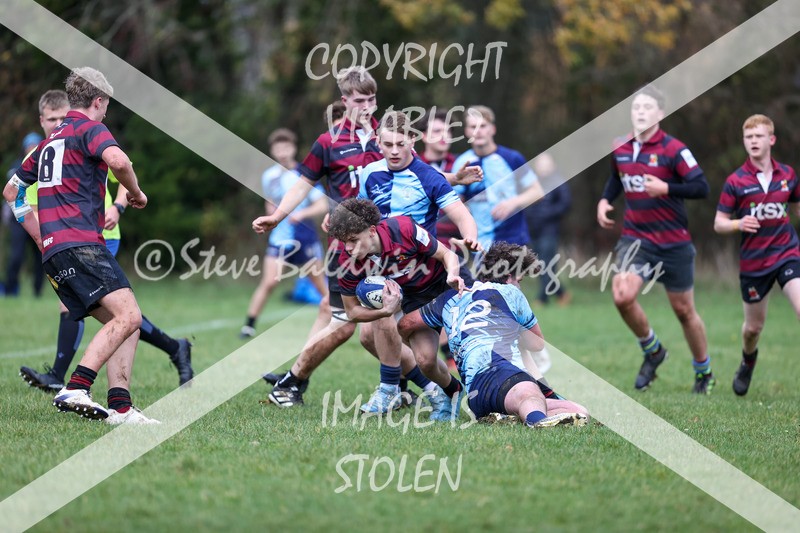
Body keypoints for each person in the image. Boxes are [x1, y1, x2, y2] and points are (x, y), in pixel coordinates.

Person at [253, 67, 481, 407]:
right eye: (359, 100)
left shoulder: (386, 133)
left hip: (398, 246)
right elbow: (303, 184)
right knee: (348, 321)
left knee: (360, 326)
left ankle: (394, 388)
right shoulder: (329, 142)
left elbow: (414, 170)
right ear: (344, 101)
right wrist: (277, 216)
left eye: (372, 99)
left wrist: (454, 179)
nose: (367, 106)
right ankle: (300, 380)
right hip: (348, 248)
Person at [4, 67, 157, 424]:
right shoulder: (90, 128)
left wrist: (41, 236)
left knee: (126, 323)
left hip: (55, 251)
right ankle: (76, 385)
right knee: (131, 315)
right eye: (106, 106)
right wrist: (136, 194)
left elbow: (11, 192)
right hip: (82, 243)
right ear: (98, 101)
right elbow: (119, 161)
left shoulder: (45, 143)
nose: (106, 113)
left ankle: (121, 407)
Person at [16, 89, 192, 391]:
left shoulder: (84, 139)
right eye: (53, 118)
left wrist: (119, 206)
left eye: (63, 115)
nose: (59, 121)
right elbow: (27, 206)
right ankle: (172, 350)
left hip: (97, 237)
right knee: (121, 314)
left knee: (108, 312)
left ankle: (65, 380)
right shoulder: (44, 154)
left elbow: (122, 170)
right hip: (67, 242)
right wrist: (45, 240)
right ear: (42, 120)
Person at [353, 110, 480, 414]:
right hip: (388, 271)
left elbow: (462, 216)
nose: (394, 151)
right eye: (387, 144)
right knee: (368, 336)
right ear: (378, 142)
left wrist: (470, 238)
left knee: (425, 359)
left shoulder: (429, 178)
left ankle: (432, 390)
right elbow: (359, 214)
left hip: (426, 275)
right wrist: (341, 223)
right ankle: (403, 389)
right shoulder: (370, 174)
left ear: (413, 139)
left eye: (400, 143)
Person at [596, 84, 713, 394]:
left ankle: (704, 372)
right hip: (637, 239)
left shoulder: (674, 149)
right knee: (622, 295)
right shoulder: (620, 146)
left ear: (660, 113)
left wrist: (667, 188)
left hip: (674, 242)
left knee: (684, 311)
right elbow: (615, 179)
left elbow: (701, 187)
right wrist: (605, 200)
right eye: (636, 108)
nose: (641, 113)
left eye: (647, 108)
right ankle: (653, 350)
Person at [398, 242, 589, 427]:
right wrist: (515, 329)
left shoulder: (449, 298)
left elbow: (406, 323)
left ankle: (510, 417)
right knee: (529, 394)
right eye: (519, 281)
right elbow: (537, 344)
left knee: (579, 411)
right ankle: (537, 422)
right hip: (503, 375)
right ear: (508, 277)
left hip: (477, 396)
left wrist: (409, 343)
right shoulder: (510, 293)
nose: (519, 287)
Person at [328, 198, 467, 420]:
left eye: (354, 240)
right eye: (344, 242)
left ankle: (502, 394)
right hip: (414, 298)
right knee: (426, 360)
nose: (349, 248)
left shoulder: (403, 229)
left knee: (476, 343)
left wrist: (452, 274)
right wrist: (384, 311)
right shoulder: (347, 261)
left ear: (372, 231)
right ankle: (452, 392)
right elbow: (352, 311)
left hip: (448, 283)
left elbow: (446, 254)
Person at [714, 114, 800, 396]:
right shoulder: (735, 181)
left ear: (771, 140)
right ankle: (748, 361)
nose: (753, 141)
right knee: (753, 329)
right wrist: (738, 223)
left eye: (758, 136)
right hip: (754, 264)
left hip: (787, 253)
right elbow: (719, 222)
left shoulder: (788, 175)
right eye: (748, 137)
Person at [240, 128, 328, 338]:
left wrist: (302, 213)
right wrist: (270, 211)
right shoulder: (269, 176)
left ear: (294, 148)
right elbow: (270, 199)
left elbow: (322, 204)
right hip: (280, 237)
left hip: (304, 237)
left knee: (320, 285)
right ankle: (249, 326)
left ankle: (338, 318)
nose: (282, 152)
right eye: (278, 148)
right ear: (272, 150)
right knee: (269, 282)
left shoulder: (304, 174)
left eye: (286, 147)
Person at [453, 105, 544, 251]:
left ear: (492, 129)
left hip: (512, 237)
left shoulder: (512, 158)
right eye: (473, 126)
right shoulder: (462, 163)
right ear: (466, 131)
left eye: (483, 126)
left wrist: (513, 203)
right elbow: (455, 202)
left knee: (510, 275)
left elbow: (538, 192)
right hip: (480, 242)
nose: (478, 131)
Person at [526, 152, 572, 306]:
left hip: (550, 231)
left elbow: (565, 204)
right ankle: (562, 293)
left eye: (546, 164)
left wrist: (547, 214)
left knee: (546, 264)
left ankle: (542, 298)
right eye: (540, 164)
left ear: (552, 165)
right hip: (534, 230)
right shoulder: (532, 184)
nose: (543, 167)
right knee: (539, 264)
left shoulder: (559, 183)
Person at [4, 132, 45, 297]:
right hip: (19, 219)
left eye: (35, 144)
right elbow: (10, 193)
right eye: (29, 145)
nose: (32, 148)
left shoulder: (47, 165)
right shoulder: (17, 166)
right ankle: (10, 291)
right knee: (16, 256)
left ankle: (38, 292)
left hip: (39, 216)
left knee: (41, 258)